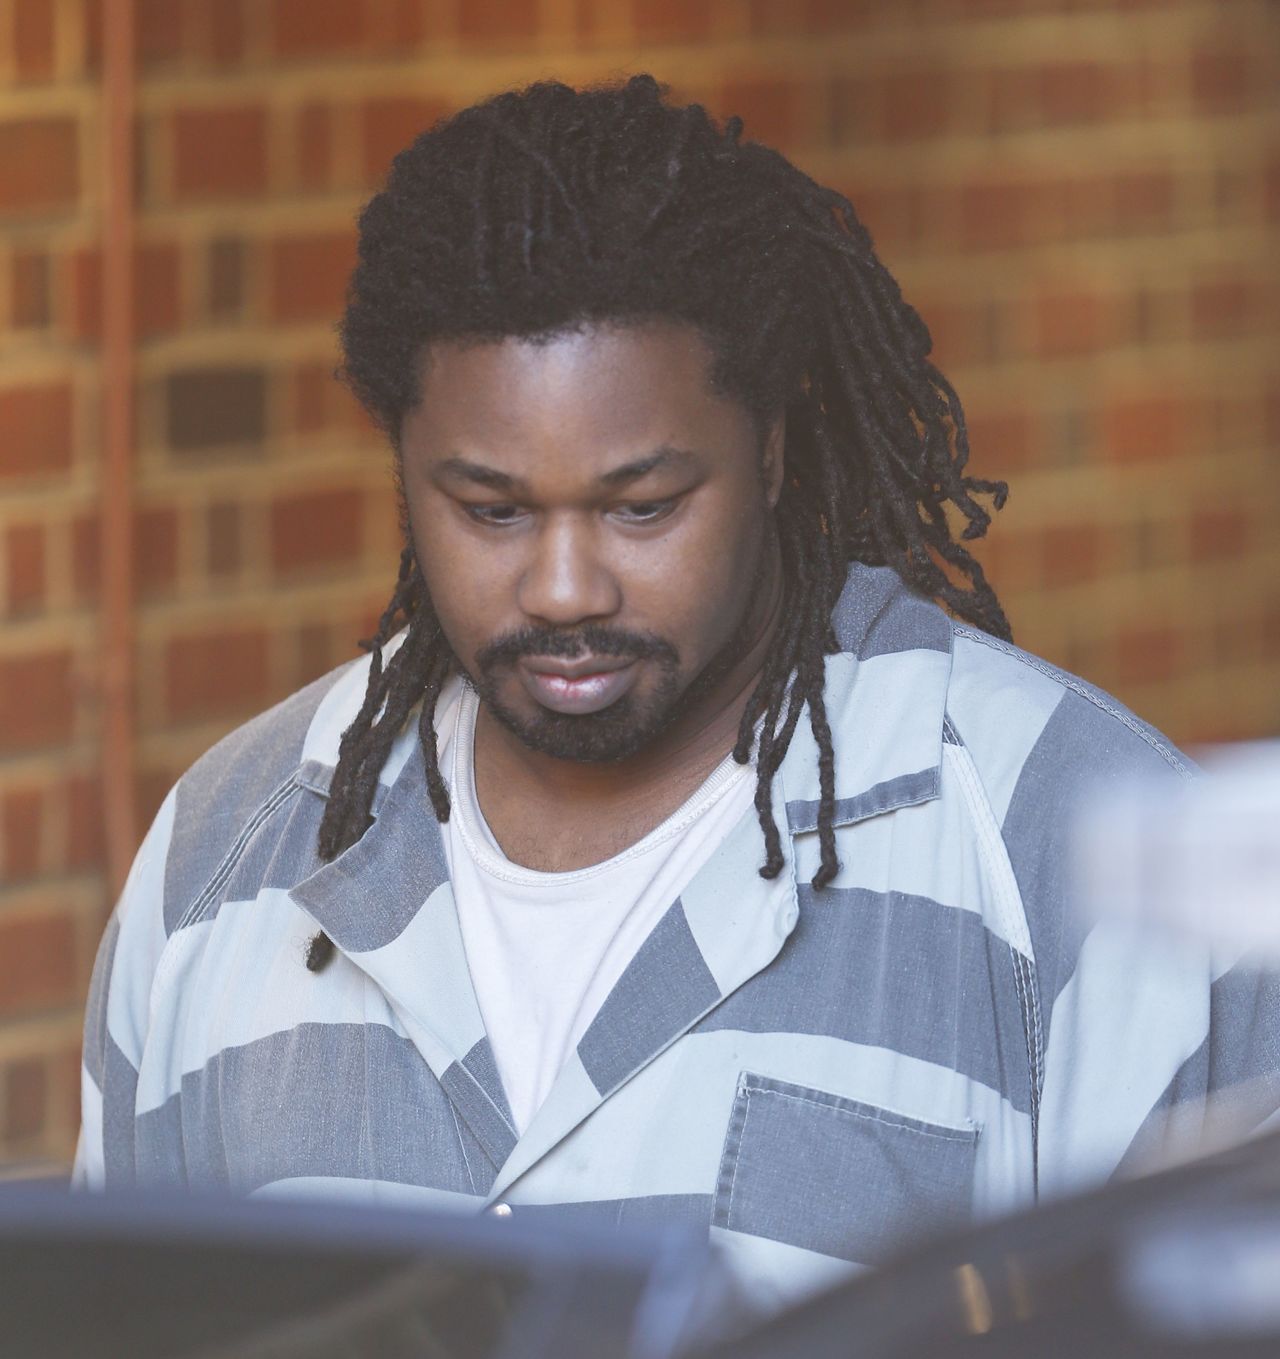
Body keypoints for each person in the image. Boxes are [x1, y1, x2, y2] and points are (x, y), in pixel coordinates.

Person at [76, 75, 1278, 1314]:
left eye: (640, 505)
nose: (559, 587)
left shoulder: (1065, 849)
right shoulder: (223, 859)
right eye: (488, 508)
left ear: (766, 451)